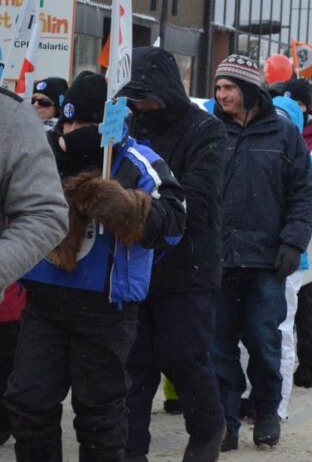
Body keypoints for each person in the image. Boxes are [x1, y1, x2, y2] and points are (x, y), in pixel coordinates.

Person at [5, 71, 186, 462]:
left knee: (98, 415)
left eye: (84, 122)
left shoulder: (138, 161)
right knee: (29, 404)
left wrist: (128, 209)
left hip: (105, 308)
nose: (72, 130)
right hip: (43, 302)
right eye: (67, 121)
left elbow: (174, 226)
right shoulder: (43, 155)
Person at [119, 46, 227, 461]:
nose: (140, 104)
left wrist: (139, 209)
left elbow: (199, 194)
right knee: (135, 363)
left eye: (145, 94)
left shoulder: (205, 130)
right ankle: (131, 449)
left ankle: (206, 429)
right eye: (134, 96)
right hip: (133, 262)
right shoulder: (126, 125)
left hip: (189, 264)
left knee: (184, 355)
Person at [210, 55, 312, 452]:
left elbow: (303, 194)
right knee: (218, 347)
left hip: (266, 262)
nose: (222, 95)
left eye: (229, 88)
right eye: (218, 88)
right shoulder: (209, 131)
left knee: (262, 342)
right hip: (219, 259)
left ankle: (267, 412)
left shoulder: (283, 134)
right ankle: (226, 423)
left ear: (250, 90)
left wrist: (293, 242)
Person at [269, 78, 312, 390]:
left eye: (297, 102)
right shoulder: (264, 136)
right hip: (266, 239)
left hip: (303, 239)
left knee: (305, 307)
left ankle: (311, 360)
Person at [0, 86, 68, 294]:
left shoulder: (11, 116)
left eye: (45, 102)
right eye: (36, 100)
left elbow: (45, 214)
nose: (38, 105)